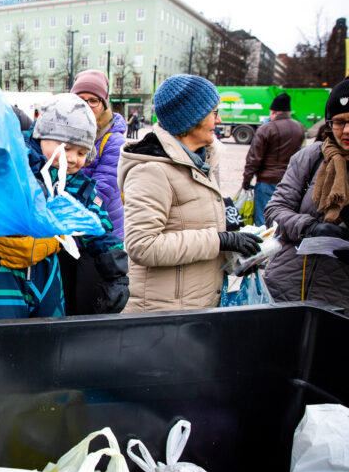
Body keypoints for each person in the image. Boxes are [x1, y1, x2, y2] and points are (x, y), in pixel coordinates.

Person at [0, 94, 128, 319]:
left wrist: (116, 277)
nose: (72, 159)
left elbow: (98, 227)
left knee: (51, 332)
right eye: (66, 148)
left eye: (81, 153)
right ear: (42, 136)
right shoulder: (15, 161)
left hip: (47, 271)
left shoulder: (77, 185)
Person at [118, 74, 262, 312]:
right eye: (214, 113)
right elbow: (142, 246)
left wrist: (237, 254)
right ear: (191, 119)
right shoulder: (151, 170)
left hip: (195, 303)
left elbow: (195, 229)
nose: (219, 120)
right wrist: (220, 240)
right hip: (162, 310)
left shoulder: (201, 161)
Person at [263, 77, 349, 309]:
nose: (346, 130)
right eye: (339, 122)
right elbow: (274, 211)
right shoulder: (310, 157)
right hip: (286, 287)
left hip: (339, 300)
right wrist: (310, 227)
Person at [72, 69, 127, 239]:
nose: (86, 105)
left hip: (103, 232)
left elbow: (102, 190)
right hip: (73, 228)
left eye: (93, 100)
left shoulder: (114, 141)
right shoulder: (63, 132)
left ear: (103, 104)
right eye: (80, 99)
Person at [242, 93, 305, 226]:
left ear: (273, 112)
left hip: (267, 181)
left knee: (263, 221)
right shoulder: (299, 128)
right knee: (285, 219)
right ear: (289, 112)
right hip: (291, 181)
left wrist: (247, 180)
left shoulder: (266, 129)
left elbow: (254, 158)